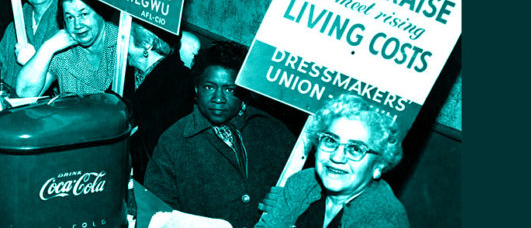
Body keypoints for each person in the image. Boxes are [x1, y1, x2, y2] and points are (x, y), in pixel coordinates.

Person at [145, 41, 295, 228]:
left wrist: (290, 200)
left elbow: (305, 190)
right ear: (196, 89)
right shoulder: (173, 141)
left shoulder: (272, 130)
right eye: (209, 87)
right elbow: (159, 213)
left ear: (243, 92)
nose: (218, 99)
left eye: (229, 89)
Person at [255, 94, 409, 228]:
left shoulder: (385, 219)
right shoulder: (304, 182)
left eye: (356, 149)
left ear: (378, 165)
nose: (337, 157)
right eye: (330, 140)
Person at [124, 21, 193, 183]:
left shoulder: (180, 82)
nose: (119, 44)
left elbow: (160, 143)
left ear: (146, 44)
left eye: (126, 38)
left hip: (151, 179)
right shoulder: (124, 72)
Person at [16, 0, 117, 97]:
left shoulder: (123, 44)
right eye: (70, 17)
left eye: (83, 14)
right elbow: (25, 92)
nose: (77, 25)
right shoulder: (64, 53)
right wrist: (47, 48)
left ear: (100, 12)